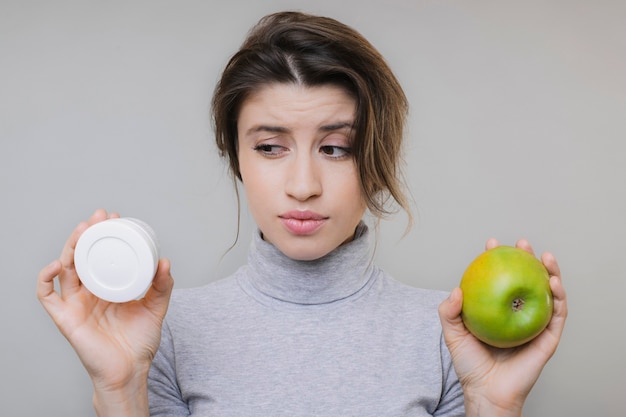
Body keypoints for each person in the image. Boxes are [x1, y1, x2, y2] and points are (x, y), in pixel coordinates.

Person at [37, 11, 567, 417]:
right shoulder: (165, 333)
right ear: (237, 159)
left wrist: (495, 407)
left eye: (336, 148)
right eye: (270, 147)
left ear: (377, 160)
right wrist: (120, 388)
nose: (304, 186)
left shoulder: (450, 335)